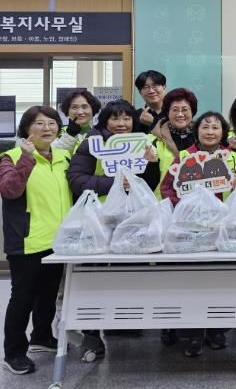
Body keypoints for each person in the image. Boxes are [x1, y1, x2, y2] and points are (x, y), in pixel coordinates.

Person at [67, 99, 159, 361]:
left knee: (129, 274)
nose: (121, 123)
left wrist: (151, 164)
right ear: (105, 120)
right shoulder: (93, 144)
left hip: (132, 222)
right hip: (100, 222)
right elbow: (77, 180)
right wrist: (116, 183)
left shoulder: (141, 143)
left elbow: (149, 183)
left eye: (127, 118)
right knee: (94, 277)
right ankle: (91, 335)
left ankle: (123, 322)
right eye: (115, 118)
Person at [160, 111, 236, 357]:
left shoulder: (233, 158)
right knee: (192, 283)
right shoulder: (184, 157)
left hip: (223, 232)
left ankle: (217, 330)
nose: (210, 132)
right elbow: (167, 188)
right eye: (205, 127)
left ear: (223, 132)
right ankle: (193, 333)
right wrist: (189, 208)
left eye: (215, 127)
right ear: (197, 131)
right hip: (191, 233)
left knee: (222, 283)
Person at [0, 106, 71, 374]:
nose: (47, 128)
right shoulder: (10, 157)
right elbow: (9, 190)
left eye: (51, 123)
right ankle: (13, 352)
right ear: (26, 129)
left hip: (58, 241)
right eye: (39, 123)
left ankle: (41, 336)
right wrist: (27, 158)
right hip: (27, 240)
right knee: (23, 298)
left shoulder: (63, 156)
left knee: (48, 294)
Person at [149, 88, 198, 196]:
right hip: (164, 202)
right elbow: (146, 182)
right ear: (167, 112)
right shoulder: (152, 141)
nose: (180, 114)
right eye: (175, 110)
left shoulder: (203, 138)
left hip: (200, 201)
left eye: (185, 109)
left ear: (192, 112)